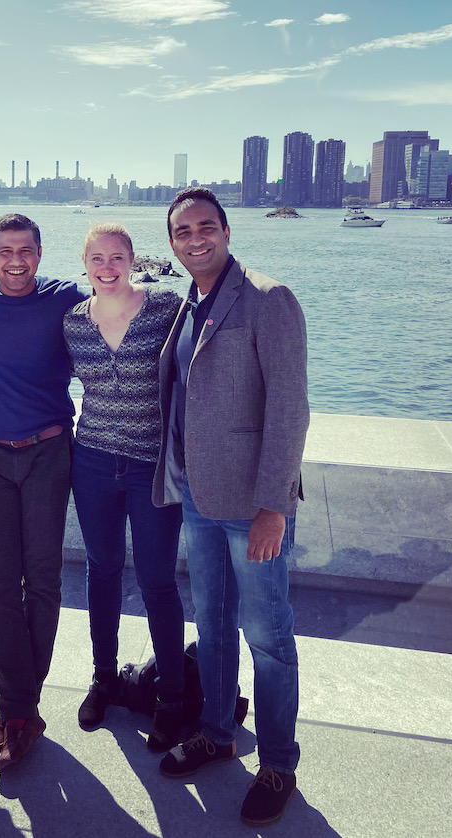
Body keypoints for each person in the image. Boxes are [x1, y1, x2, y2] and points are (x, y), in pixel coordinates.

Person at [152, 188, 309, 827]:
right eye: (183, 231)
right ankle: (218, 732)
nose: (196, 239)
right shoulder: (186, 303)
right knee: (212, 625)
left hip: (253, 506)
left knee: (267, 636)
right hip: (197, 496)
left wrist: (274, 505)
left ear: (225, 229)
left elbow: (290, 408)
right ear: (172, 243)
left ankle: (277, 762)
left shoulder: (268, 299)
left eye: (205, 227)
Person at [0, 214, 86, 771]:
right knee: (1, 584)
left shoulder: (65, 299)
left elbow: (121, 301)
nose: (16, 260)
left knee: (44, 578)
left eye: (26, 250)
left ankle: (17, 711)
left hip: (50, 452)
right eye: (5, 250)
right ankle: (18, 710)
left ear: (40, 253)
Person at [62, 222, 185, 751]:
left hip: (150, 465)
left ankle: (174, 699)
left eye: (117, 257)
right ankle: (104, 677)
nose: (107, 267)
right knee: (102, 570)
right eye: (97, 258)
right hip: (90, 461)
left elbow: (198, 370)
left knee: (157, 580)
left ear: (133, 260)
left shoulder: (166, 308)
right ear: (84, 262)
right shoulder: (72, 323)